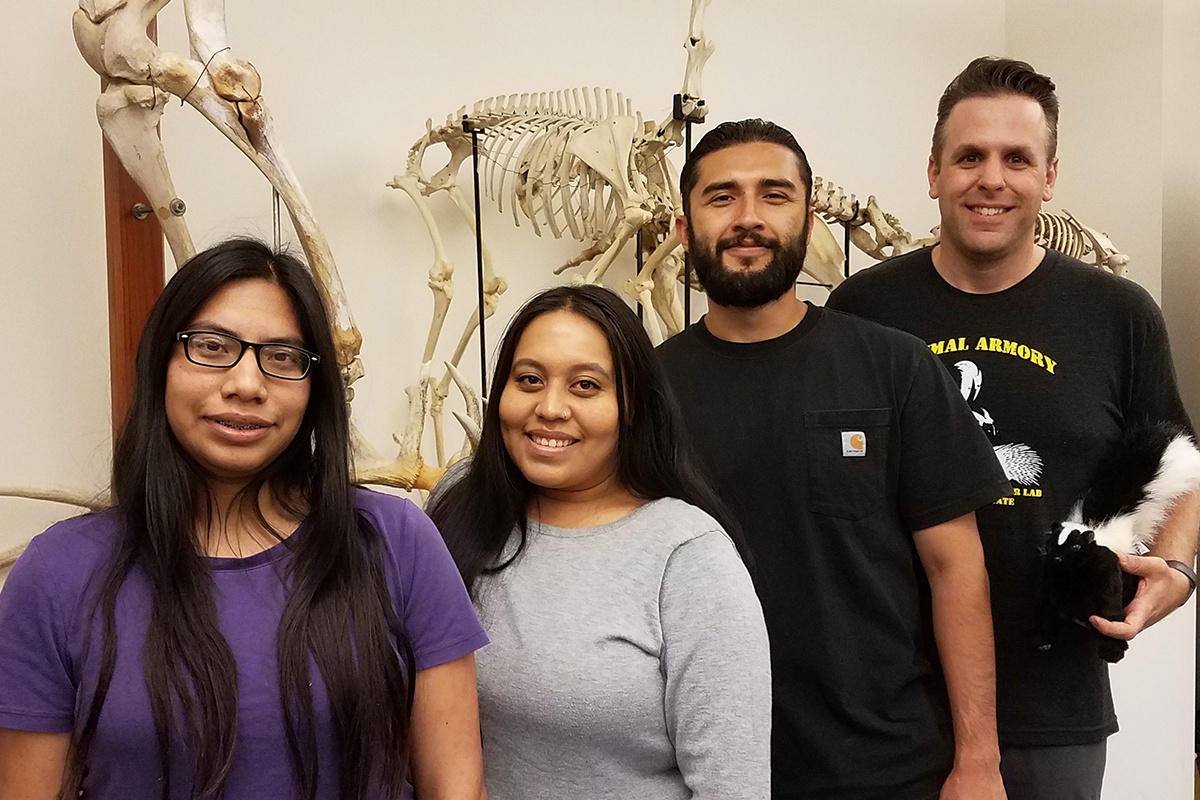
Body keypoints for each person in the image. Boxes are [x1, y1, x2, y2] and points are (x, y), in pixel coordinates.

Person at [826, 57, 1200, 800]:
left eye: (1016, 158)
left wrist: (1180, 573)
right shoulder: (862, 310)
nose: (990, 178)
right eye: (969, 156)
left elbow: (1182, 465)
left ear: (1050, 177)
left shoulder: (1118, 315)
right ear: (933, 172)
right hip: (889, 704)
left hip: (1055, 704)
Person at [0, 239, 489, 799]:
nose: (247, 385)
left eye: (282, 357)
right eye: (211, 346)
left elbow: (456, 787)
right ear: (161, 363)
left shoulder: (395, 540)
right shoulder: (58, 572)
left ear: (315, 388)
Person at [657, 118, 1013, 800]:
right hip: (705, 767)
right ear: (683, 227)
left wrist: (978, 760)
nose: (749, 217)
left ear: (809, 218)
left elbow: (956, 570)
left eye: (775, 195)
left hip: (885, 768)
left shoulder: (895, 367)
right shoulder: (645, 394)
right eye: (722, 196)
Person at [427, 284, 771, 799]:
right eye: (529, 380)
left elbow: (732, 786)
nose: (550, 407)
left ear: (631, 406)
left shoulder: (688, 556)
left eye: (585, 386)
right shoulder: (459, 502)